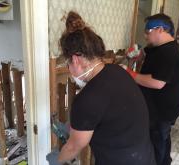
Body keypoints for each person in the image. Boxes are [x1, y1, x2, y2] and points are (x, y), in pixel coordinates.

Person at [54, 11, 156, 165]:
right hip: (144, 156)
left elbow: (74, 147)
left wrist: (56, 160)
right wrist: (71, 127)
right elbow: (105, 114)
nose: (68, 68)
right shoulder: (118, 72)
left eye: (67, 64)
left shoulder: (87, 99)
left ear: (75, 60)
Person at [125, 14, 179, 165]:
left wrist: (130, 73)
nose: (145, 35)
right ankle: (166, 161)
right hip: (158, 107)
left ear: (160, 29)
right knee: (164, 136)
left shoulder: (169, 52)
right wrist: (136, 54)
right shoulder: (158, 47)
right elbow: (145, 52)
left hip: (162, 110)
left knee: (157, 140)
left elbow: (157, 82)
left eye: (148, 31)